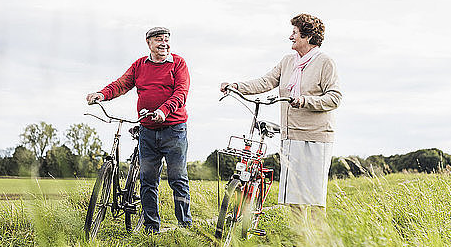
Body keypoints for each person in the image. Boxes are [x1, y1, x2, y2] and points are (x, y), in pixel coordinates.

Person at [220, 14, 341, 212]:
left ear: (308, 36)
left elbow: (334, 98)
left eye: (294, 32)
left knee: (314, 200)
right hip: (290, 136)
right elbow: (265, 82)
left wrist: (304, 100)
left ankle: (319, 242)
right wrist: (236, 86)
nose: (290, 37)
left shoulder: (325, 62)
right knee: (293, 199)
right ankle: (300, 241)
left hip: (316, 138)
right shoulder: (288, 61)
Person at [87, 27, 192, 233]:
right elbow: (121, 84)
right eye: (159, 40)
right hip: (148, 131)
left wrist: (164, 110)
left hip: (174, 130)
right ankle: (151, 228)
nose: (164, 43)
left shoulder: (178, 63)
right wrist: (102, 94)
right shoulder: (140, 65)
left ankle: (185, 227)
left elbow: (181, 93)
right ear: (149, 43)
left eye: (167, 40)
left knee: (177, 179)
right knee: (147, 181)